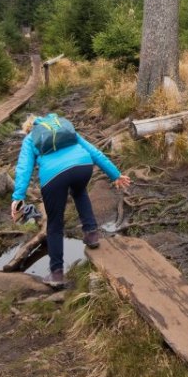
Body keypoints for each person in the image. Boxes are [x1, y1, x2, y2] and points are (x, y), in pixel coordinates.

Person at [11, 114, 130, 287]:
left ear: (28, 128)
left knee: (54, 224)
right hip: (83, 166)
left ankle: (57, 274)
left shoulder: (30, 138)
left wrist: (18, 198)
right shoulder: (63, 127)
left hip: (54, 176)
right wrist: (115, 174)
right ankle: (92, 235)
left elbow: (24, 168)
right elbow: (93, 151)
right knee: (80, 192)